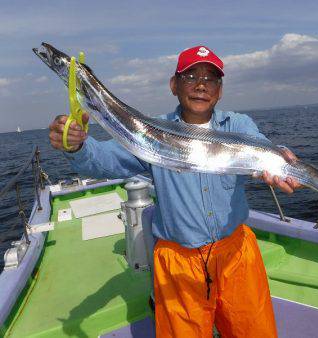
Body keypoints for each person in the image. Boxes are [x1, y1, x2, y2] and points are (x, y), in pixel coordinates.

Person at [48, 45, 302, 337]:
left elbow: (264, 149)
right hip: (178, 261)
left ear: (219, 91)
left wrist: (282, 161)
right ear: (174, 85)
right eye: (191, 75)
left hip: (236, 252)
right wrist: (77, 145)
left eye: (211, 78)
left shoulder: (239, 125)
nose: (201, 85)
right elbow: (107, 160)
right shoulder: (152, 132)